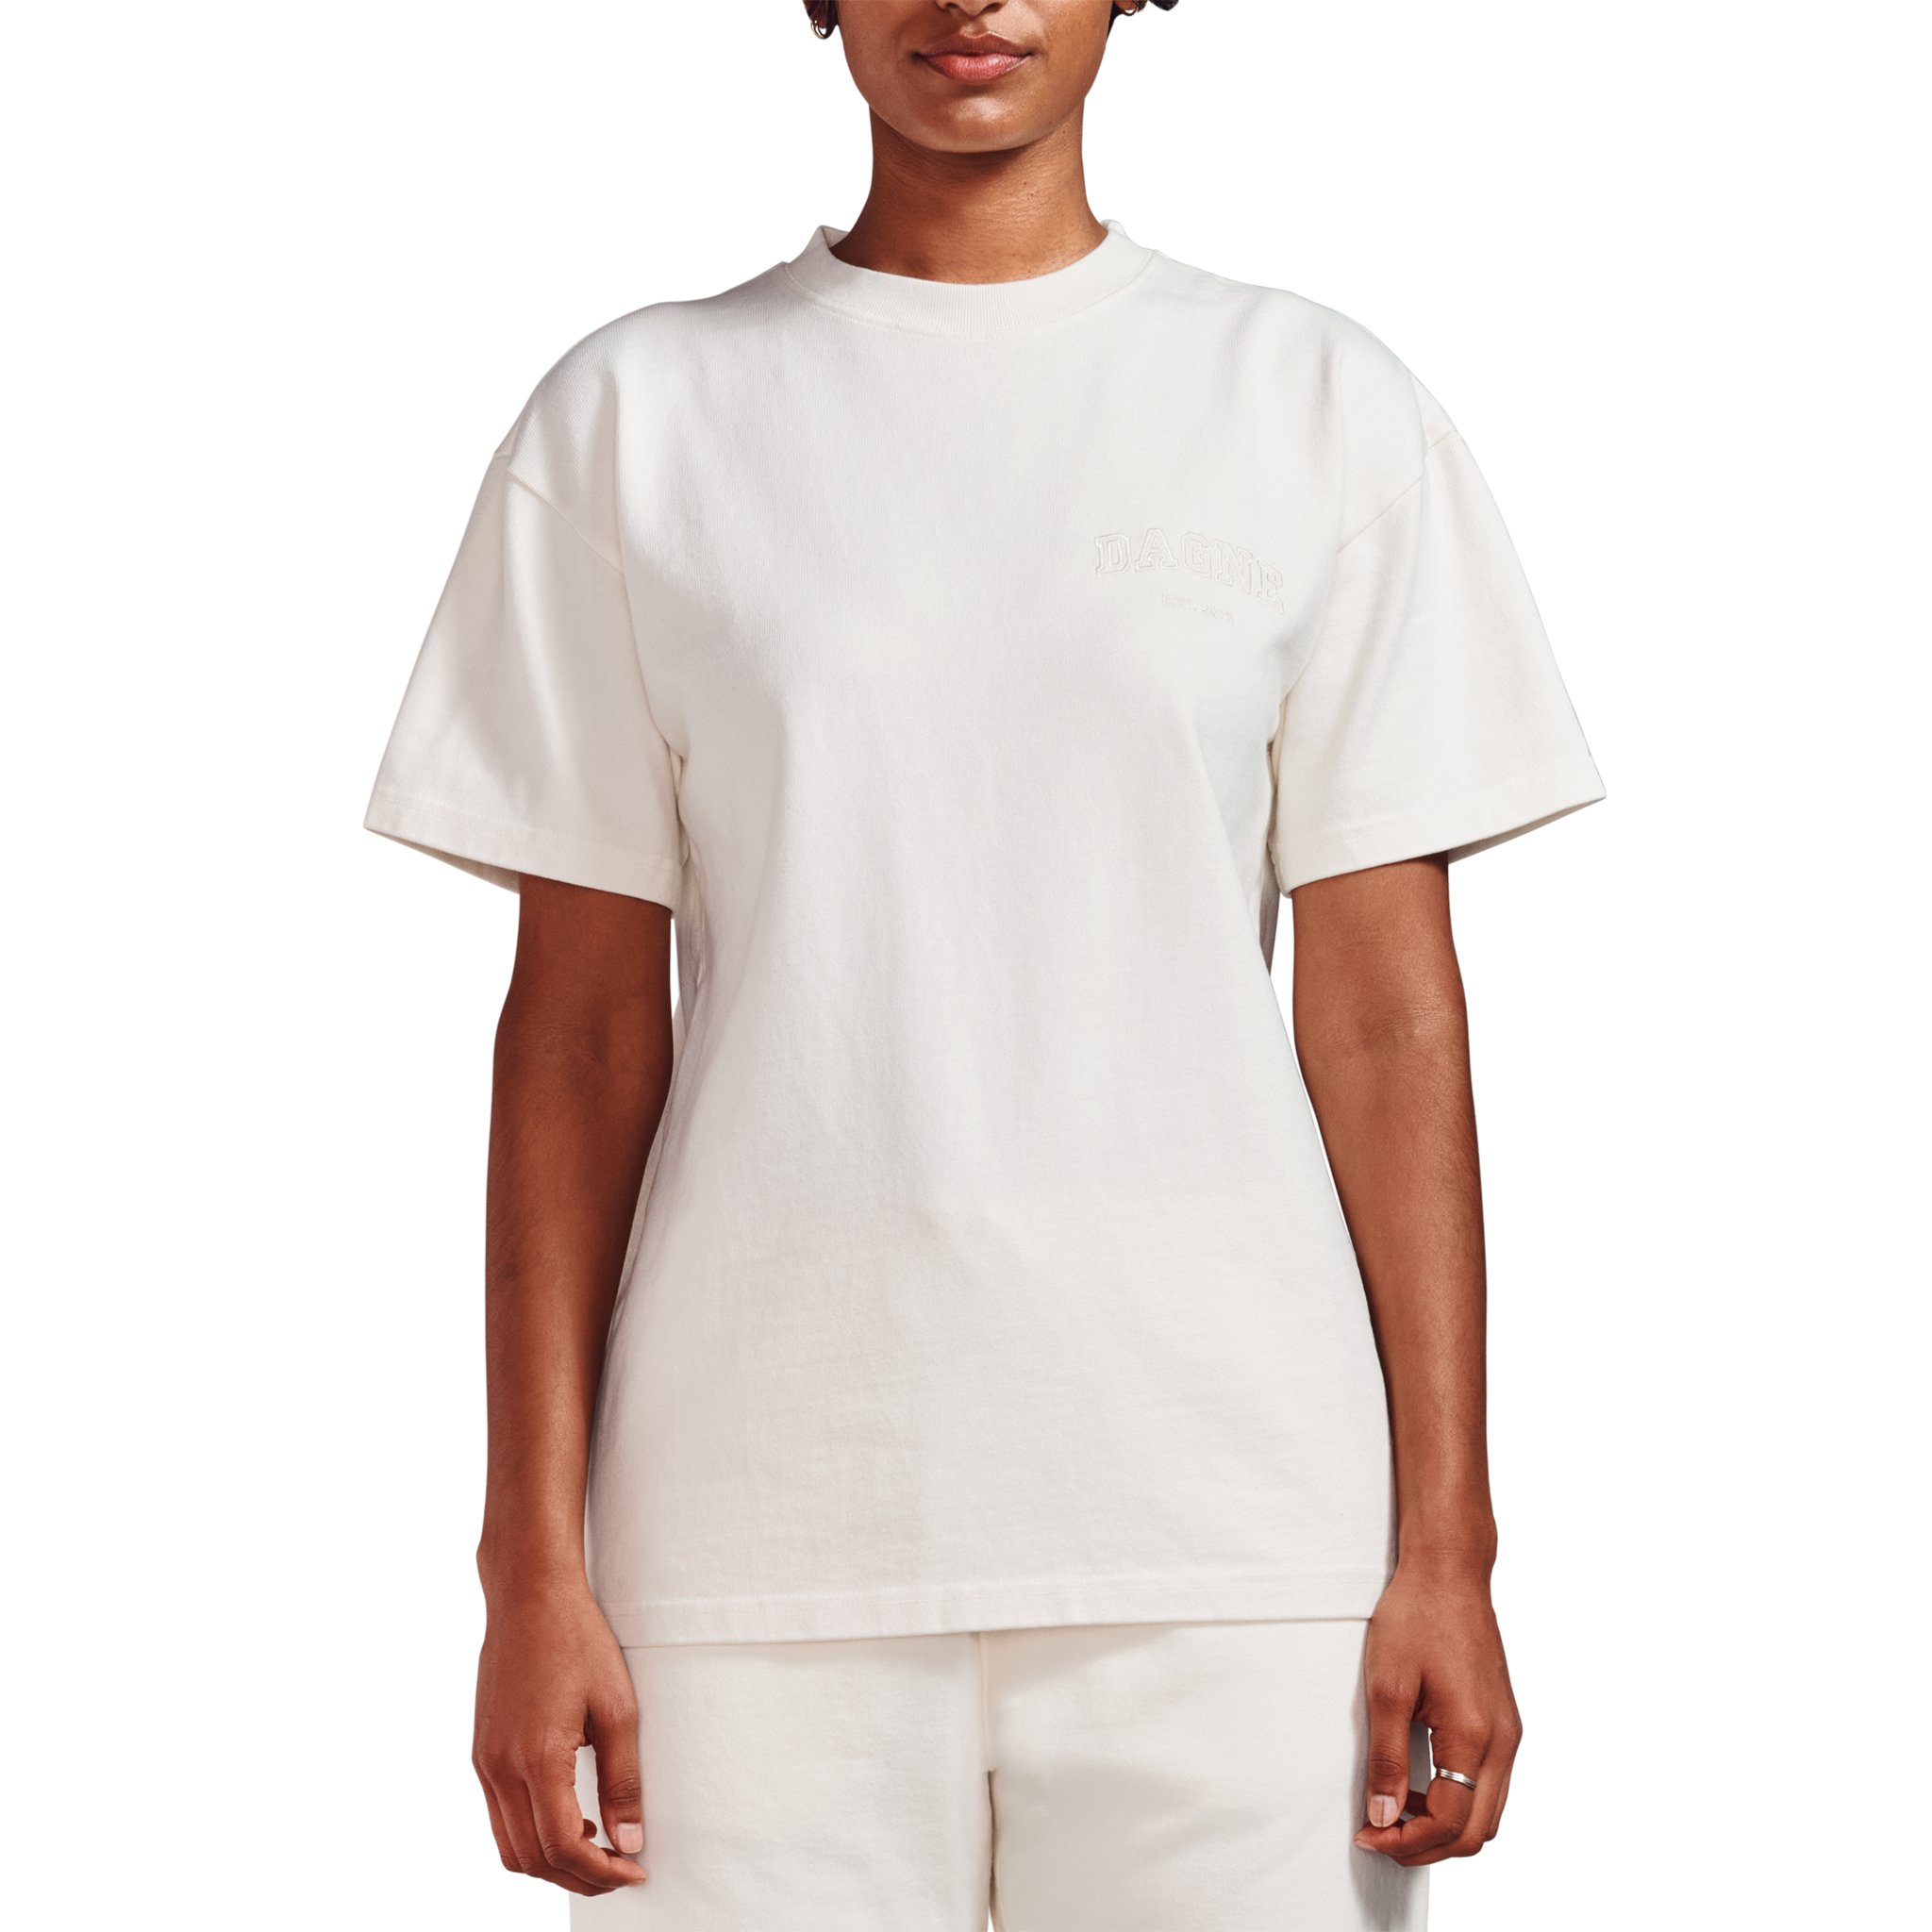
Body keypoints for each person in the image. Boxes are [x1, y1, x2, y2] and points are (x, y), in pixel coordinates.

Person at [365, 0, 1605, 1923]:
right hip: (750, 1544)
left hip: (1239, 1534)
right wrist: (529, 1569)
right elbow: (580, 1039)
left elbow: (1384, 1020)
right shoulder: (637, 419)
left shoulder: (1314, 406)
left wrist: (1450, 1541)